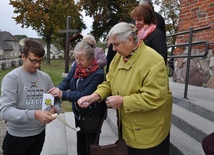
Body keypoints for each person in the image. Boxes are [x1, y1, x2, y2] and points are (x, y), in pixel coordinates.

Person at [77, 22, 172, 155]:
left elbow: (154, 96)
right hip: (129, 128)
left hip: (148, 131)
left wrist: (123, 101)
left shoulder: (154, 61)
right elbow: (109, 82)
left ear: (130, 40)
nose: (114, 49)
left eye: (116, 44)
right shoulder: (119, 57)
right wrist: (95, 96)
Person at [0, 38, 61, 155]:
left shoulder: (46, 78)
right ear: (23, 56)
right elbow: (4, 111)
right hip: (17, 137)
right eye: (33, 61)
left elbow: (57, 101)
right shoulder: (12, 78)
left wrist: (55, 110)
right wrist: (34, 114)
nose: (37, 65)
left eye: (40, 61)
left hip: (39, 134)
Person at [48, 41, 106, 155]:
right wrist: (57, 89)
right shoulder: (76, 66)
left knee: (90, 145)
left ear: (90, 59)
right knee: (80, 141)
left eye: (81, 59)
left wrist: (63, 94)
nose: (78, 62)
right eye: (76, 58)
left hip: (92, 114)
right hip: (79, 112)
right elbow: (68, 80)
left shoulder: (98, 74)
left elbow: (85, 94)